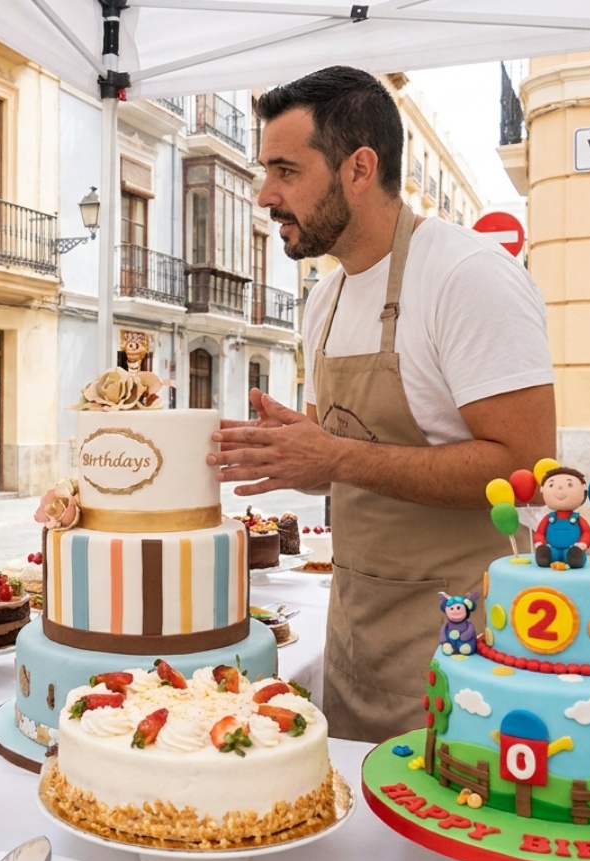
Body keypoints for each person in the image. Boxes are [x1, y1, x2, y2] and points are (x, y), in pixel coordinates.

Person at [208, 66, 556, 742]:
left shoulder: (468, 276)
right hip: (355, 635)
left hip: (470, 651)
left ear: (359, 168)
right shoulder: (324, 301)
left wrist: (335, 455)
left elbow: (526, 467)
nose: (265, 195)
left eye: (285, 170)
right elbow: (348, 458)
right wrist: (301, 460)